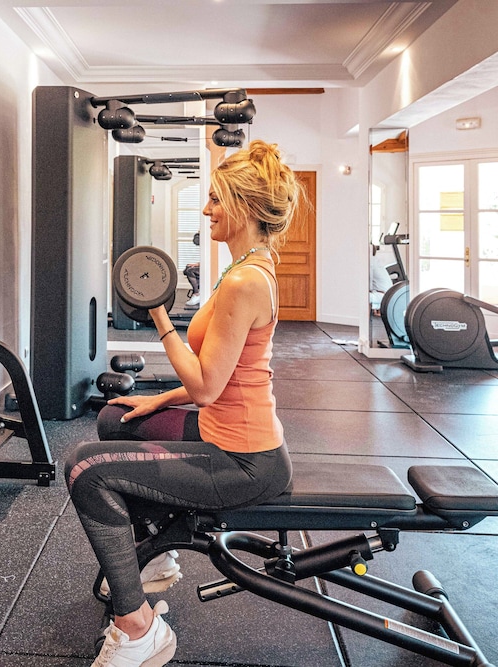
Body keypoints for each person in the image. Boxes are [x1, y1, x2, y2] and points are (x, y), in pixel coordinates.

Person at [65, 140, 300, 667]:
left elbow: (207, 387)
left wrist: (159, 315)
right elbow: (225, 374)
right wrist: (158, 400)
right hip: (226, 432)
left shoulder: (244, 281)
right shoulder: (248, 266)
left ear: (243, 205)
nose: (207, 209)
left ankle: (138, 629)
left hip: (245, 463)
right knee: (118, 419)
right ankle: (159, 550)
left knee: (85, 469)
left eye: (216, 199)